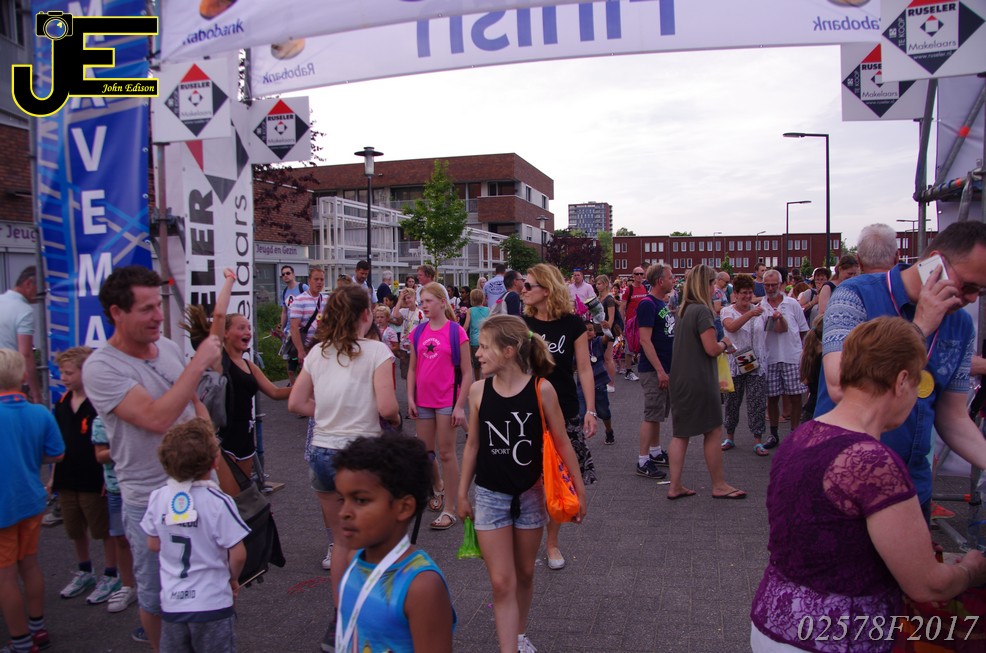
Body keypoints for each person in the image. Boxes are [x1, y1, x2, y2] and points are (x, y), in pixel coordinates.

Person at [751, 317, 986, 652]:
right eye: (919, 384)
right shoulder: (872, 463)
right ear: (902, 381)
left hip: (774, 621)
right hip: (838, 635)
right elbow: (927, 585)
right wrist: (971, 571)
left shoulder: (802, 436)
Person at [83, 265, 221, 651]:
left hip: (198, 488)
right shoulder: (101, 367)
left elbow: (192, 402)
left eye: (158, 305)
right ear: (116, 313)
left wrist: (209, 447)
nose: (159, 316)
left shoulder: (169, 348)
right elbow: (157, 418)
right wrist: (199, 363)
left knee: (208, 582)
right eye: (146, 309)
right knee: (157, 596)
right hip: (149, 497)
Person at [816, 221, 986, 522]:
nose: (972, 298)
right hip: (845, 483)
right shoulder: (854, 295)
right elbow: (840, 385)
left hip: (910, 488)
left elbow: (954, 417)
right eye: (969, 286)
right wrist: (919, 329)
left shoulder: (960, 324)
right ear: (937, 264)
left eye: (980, 291)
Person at [458, 314, 586, 653]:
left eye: (485, 347)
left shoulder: (542, 390)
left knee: (525, 573)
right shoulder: (477, 391)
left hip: (531, 495)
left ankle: (518, 634)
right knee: (502, 582)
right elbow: (472, 446)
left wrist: (579, 489)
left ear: (509, 351)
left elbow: (562, 443)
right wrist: (461, 493)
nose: (478, 354)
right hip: (489, 496)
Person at [287, 284, 400, 652]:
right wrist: (395, 420)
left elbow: (295, 402)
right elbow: (387, 408)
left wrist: (327, 412)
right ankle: (368, 615)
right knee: (369, 538)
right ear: (366, 315)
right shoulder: (377, 351)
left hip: (322, 451)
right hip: (361, 455)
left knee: (341, 540)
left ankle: (339, 617)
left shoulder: (318, 352)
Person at [334, 434, 455, 653]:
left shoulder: (421, 586)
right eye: (342, 499)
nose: (344, 512)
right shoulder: (353, 560)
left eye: (360, 500)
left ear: (403, 507)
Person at [141, 418, 249, 653]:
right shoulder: (219, 501)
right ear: (214, 461)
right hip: (212, 602)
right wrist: (232, 578)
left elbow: (152, 544)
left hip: (172, 603)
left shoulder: (158, 497)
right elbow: (238, 554)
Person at [181, 270, 291, 490]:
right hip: (224, 439)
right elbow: (219, 315)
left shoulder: (249, 365)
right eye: (241, 328)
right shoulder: (218, 361)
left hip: (246, 438)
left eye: (249, 328)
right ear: (225, 334)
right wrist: (230, 280)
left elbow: (275, 392)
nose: (248, 332)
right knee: (231, 495)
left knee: (243, 495)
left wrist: (313, 384)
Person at [523, 264, 597, 570]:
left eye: (529, 285)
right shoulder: (522, 323)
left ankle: (551, 543)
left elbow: (584, 368)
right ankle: (527, 538)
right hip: (526, 411)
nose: (524, 290)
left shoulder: (572, 323)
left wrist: (590, 409)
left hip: (563, 411)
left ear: (547, 289)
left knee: (557, 479)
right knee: (530, 481)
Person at [0, 348, 64, 653]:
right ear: (24, 375)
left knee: (6, 577)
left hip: (4, 507)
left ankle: (21, 641)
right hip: (31, 499)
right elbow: (57, 454)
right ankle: (38, 629)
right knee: (29, 564)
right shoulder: (40, 413)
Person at [667, 265, 745, 500]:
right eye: (712, 283)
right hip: (700, 379)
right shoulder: (702, 311)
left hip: (680, 379)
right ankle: (719, 484)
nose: (715, 288)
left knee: (681, 434)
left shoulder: (684, 310)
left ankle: (674, 485)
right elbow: (711, 348)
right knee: (713, 431)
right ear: (706, 284)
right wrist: (725, 344)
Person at [51, 347, 120, 605]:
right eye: (61, 372)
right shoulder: (61, 403)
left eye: (69, 372)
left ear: (86, 372)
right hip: (66, 477)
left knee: (104, 529)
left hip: (94, 479)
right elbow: (57, 442)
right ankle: (84, 571)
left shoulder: (98, 404)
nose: (63, 377)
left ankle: (111, 574)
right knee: (74, 528)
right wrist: (52, 477)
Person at [407, 282, 471, 531]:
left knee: (446, 453)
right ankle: (437, 487)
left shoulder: (456, 332)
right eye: (422, 301)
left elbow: (467, 372)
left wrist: (460, 406)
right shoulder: (418, 332)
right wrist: (410, 398)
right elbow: (412, 369)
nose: (424, 305)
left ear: (442, 302)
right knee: (425, 453)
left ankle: (450, 509)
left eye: (428, 301)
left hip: (446, 400)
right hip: (423, 401)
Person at [90, 416, 138, 613]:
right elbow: (100, 455)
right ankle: (128, 585)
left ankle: (158, 587)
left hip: (141, 487)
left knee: (151, 540)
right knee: (120, 537)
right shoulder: (100, 420)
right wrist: (125, 446)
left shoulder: (139, 415)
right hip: (116, 488)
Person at [760, 269, 810, 449]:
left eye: (774, 285)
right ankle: (773, 434)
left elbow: (803, 329)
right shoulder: (760, 306)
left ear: (781, 284)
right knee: (772, 398)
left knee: (796, 396)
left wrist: (801, 351)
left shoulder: (792, 304)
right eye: (767, 285)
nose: (770, 288)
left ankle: (794, 433)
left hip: (791, 356)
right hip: (770, 357)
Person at [720, 274, 769, 456]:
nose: (747, 296)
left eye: (750, 293)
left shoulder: (761, 310)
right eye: (743, 293)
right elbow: (731, 327)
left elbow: (775, 329)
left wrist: (779, 319)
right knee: (732, 402)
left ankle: (758, 440)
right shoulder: (727, 311)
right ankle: (729, 436)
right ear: (736, 294)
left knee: (757, 402)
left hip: (757, 363)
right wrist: (750, 314)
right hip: (736, 362)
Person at [634, 264, 675, 478]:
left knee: (657, 413)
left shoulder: (661, 303)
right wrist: (659, 370)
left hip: (663, 367)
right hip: (652, 369)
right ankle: (643, 460)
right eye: (670, 277)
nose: (673, 280)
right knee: (651, 414)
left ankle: (656, 452)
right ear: (660, 281)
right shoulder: (647, 304)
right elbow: (645, 340)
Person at [0, 266, 41, 403]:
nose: (42, 295)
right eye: (41, 289)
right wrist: (36, 394)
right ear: (28, 283)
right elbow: (25, 354)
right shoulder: (24, 310)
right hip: (9, 378)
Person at [577, 323, 616, 445]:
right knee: (581, 413)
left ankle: (609, 430)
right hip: (582, 385)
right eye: (585, 330)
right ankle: (580, 438)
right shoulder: (576, 348)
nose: (588, 332)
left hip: (599, 383)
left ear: (595, 332)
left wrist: (606, 329)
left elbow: (606, 338)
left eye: (591, 330)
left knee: (603, 411)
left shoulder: (598, 342)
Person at [288, 267, 325, 376]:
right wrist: (300, 350)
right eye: (316, 279)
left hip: (323, 348)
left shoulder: (326, 299)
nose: (319, 282)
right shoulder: (300, 300)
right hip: (308, 348)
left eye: (322, 279)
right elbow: (294, 327)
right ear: (309, 281)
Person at [276, 265, 307, 386]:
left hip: (303, 330)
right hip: (290, 331)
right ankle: (293, 386)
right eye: (283, 274)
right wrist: (282, 326)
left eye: (288, 273)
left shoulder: (302, 287)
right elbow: (284, 311)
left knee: (302, 359)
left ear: (293, 274)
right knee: (291, 362)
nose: (285, 276)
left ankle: (303, 385)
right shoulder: (284, 292)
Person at [619, 266, 648, 381]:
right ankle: (628, 371)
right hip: (631, 324)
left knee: (643, 346)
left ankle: (642, 370)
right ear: (633, 275)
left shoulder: (644, 288)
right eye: (637, 274)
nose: (639, 276)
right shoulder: (628, 289)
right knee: (629, 348)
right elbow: (622, 307)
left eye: (641, 274)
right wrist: (622, 324)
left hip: (643, 323)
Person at [594, 274, 620, 393]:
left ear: (605, 284)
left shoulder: (609, 299)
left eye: (599, 283)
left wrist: (608, 327)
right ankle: (602, 381)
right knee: (600, 357)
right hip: (598, 330)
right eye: (596, 284)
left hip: (607, 331)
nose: (597, 286)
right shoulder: (597, 298)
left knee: (608, 357)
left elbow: (611, 317)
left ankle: (611, 383)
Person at [463, 288, 490, 382]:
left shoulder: (470, 310)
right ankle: (485, 382)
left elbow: (466, 326)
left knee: (476, 365)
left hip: (475, 341)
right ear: (482, 298)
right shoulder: (488, 310)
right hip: (486, 340)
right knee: (485, 362)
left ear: (472, 299)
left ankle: (478, 381)